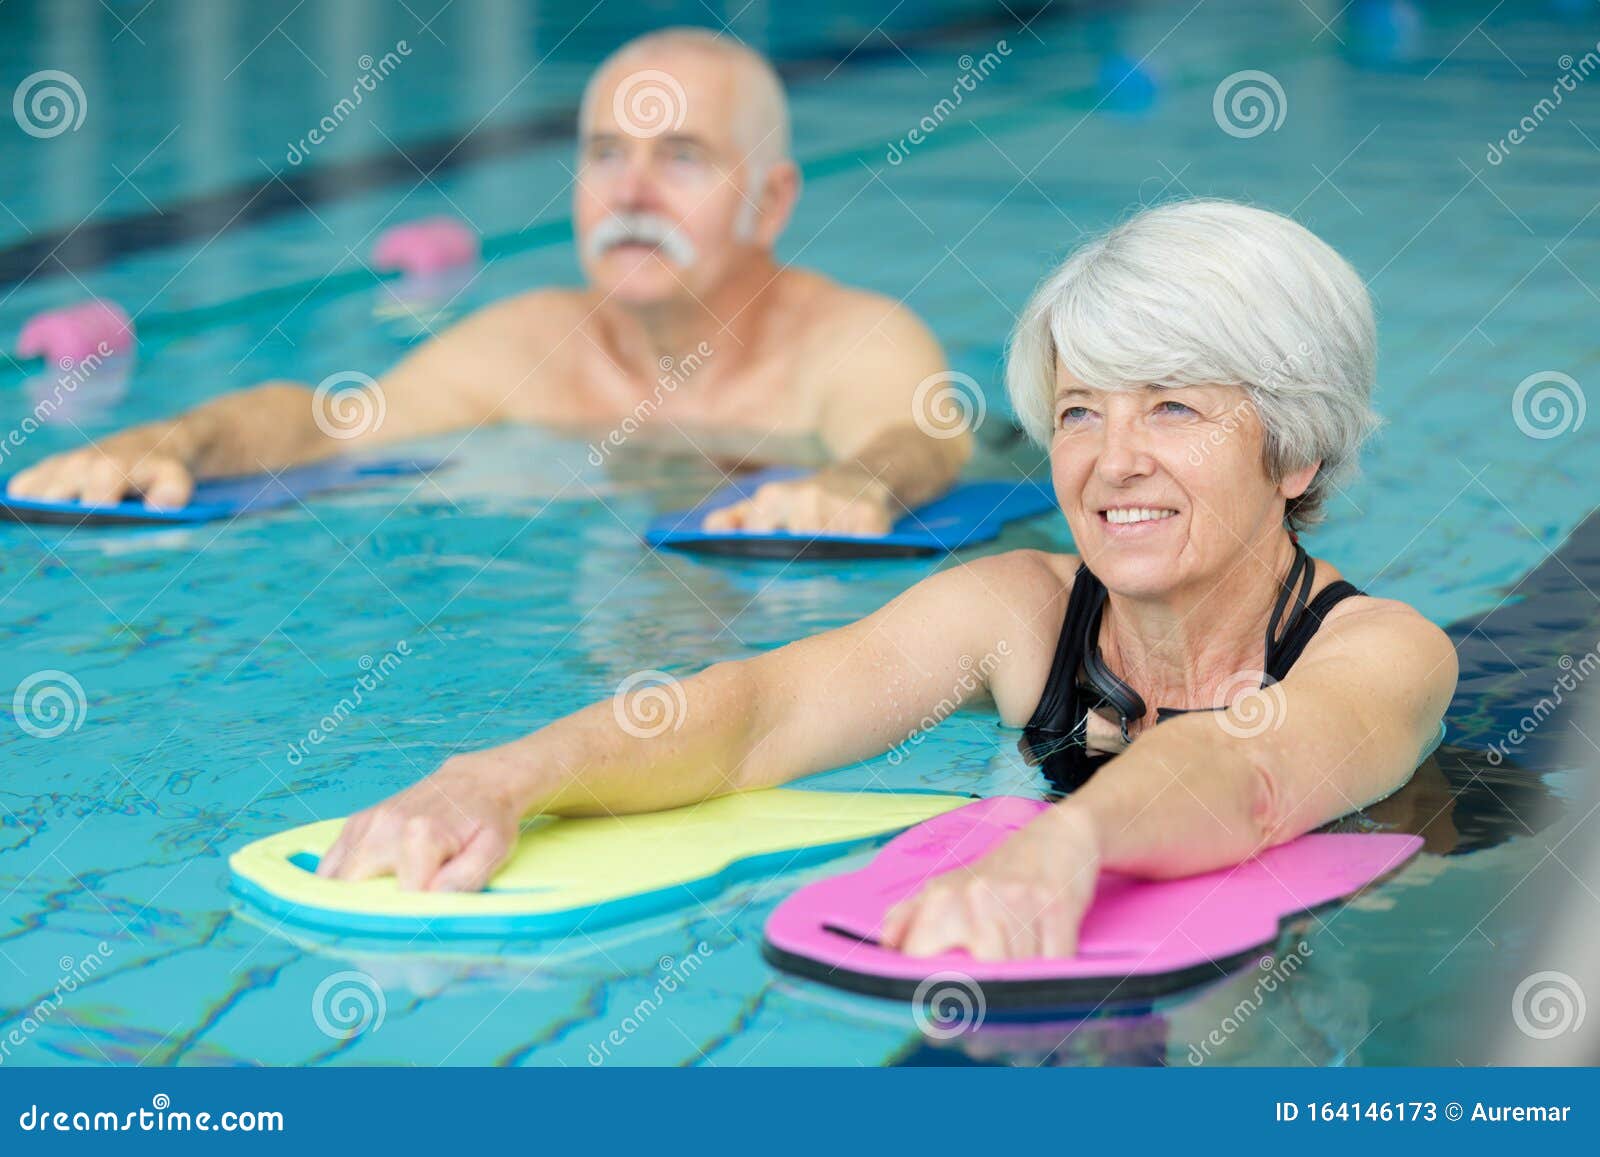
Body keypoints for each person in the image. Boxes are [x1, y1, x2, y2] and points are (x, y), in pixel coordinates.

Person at [315, 200, 1457, 961]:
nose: (1111, 461)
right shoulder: (1021, 614)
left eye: (1171, 405)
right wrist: (502, 777)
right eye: (1076, 412)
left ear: (1297, 448)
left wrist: (1058, 842)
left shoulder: (1382, 654)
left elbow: (1245, 770)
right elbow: (756, 714)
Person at [5, 29, 969, 535]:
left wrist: (854, 484)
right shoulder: (528, 345)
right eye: (604, 154)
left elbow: (920, 435)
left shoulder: (851, 340)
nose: (630, 193)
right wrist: (171, 439)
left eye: (681, 157)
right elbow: (326, 425)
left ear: (771, 201)